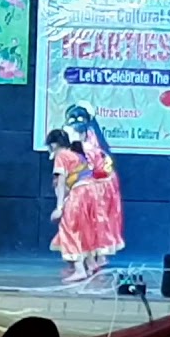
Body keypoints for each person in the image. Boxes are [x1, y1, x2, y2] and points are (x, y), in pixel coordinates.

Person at [65, 102, 124, 264]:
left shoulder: (92, 142)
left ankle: (97, 255)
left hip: (98, 186)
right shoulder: (76, 139)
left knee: (96, 220)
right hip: (89, 185)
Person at [46, 129, 102, 282]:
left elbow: (62, 182)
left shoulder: (61, 155)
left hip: (79, 194)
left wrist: (59, 208)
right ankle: (91, 264)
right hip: (92, 194)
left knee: (70, 229)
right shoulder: (78, 156)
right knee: (85, 230)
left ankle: (79, 269)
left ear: (54, 144)